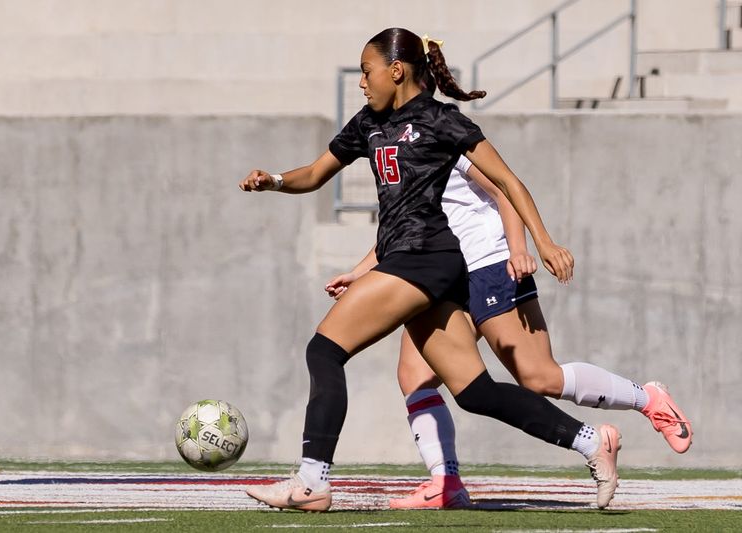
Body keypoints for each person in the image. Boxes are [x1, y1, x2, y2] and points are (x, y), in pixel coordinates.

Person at [239, 27, 621, 511]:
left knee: (324, 350)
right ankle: (591, 441)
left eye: (366, 70)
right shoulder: (368, 123)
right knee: (475, 392)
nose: (362, 81)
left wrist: (542, 241)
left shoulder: (442, 120)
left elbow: (508, 181)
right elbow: (314, 175)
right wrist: (272, 180)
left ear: (395, 70)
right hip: (416, 262)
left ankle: (312, 483)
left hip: (426, 259)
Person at [326, 156, 693, 509]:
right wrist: (359, 272)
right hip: (443, 274)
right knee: (415, 376)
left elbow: (505, 188)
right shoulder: (392, 148)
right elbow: (405, 230)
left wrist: (521, 249)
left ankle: (647, 399)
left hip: (489, 264)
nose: (362, 87)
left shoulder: (440, 131)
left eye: (368, 85)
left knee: (540, 377)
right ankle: (446, 484)